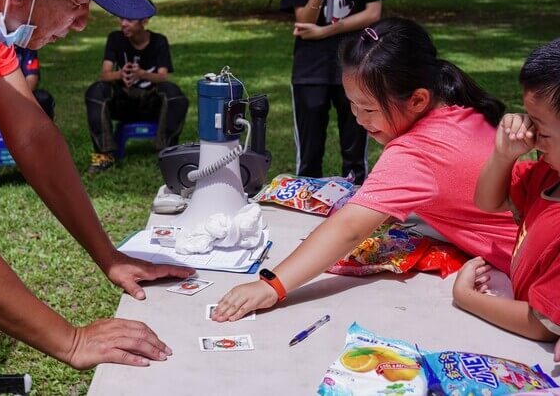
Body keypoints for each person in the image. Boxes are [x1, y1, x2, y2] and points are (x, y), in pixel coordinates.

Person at [0, 0, 194, 370]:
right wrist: (71, 342)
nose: (82, 24)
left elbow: (33, 136)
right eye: (76, 4)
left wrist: (109, 256)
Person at [212, 17, 518, 322]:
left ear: (418, 99)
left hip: (528, 268)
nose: (358, 118)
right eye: (352, 105)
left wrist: (272, 285)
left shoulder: (414, 153)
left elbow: (350, 229)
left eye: (368, 108)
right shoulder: (456, 106)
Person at [452, 39, 560, 362]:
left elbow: (541, 324)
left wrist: (465, 297)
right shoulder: (548, 173)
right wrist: (502, 154)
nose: (528, 135)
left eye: (539, 128)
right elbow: (488, 200)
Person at [280, 0, 394, 184]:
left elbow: (373, 14)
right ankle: (305, 202)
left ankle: (356, 202)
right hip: (311, 69)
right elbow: (304, 20)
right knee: (308, 155)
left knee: (355, 154)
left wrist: (325, 31)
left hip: (356, 66)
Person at [84, 5, 189, 173]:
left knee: (174, 94)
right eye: (121, 19)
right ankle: (103, 155)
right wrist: (120, 74)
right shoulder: (115, 39)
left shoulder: (159, 41)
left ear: (144, 21)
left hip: (150, 103)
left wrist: (141, 74)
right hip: (123, 103)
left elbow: (163, 76)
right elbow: (104, 75)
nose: (123, 24)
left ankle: (166, 152)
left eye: (129, 20)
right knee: (96, 91)